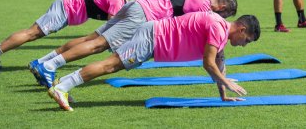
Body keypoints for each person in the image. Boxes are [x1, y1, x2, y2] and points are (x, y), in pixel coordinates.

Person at [48, 11, 260, 111]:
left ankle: (63, 83)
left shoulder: (221, 33)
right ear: (241, 30)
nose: (244, 45)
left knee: (110, 64)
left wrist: (223, 95)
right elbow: (208, 63)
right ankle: (63, 86)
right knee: (110, 65)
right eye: (247, 40)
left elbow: (218, 64)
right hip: (152, 38)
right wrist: (227, 82)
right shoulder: (218, 27)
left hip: (154, 39)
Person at [32, 0, 238, 88]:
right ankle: (50, 66)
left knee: (94, 38)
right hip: (145, 15)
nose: (221, 19)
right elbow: (182, 28)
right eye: (225, 16)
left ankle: (44, 61)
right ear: (221, 8)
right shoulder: (203, 7)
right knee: (99, 45)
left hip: (138, 6)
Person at [0, 0, 126, 74]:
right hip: (65, 9)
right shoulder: (118, 3)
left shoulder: (120, 2)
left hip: (66, 10)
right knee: (32, 33)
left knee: (32, 34)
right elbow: (111, 27)